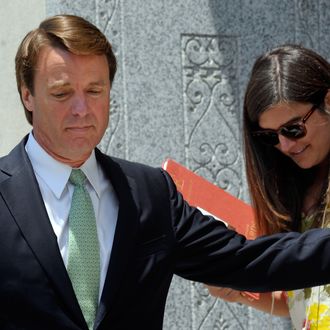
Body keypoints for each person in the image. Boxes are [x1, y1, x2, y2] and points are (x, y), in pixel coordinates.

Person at [3, 15, 330, 330]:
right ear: (27, 95)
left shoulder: (151, 192)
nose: (81, 109)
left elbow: (247, 261)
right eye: (62, 93)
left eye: (94, 91)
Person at [207, 44, 330, 329]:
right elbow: (299, 300)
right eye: (269, 137)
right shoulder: (296, 192)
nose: (285, 145)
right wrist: (238, 290)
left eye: (293, 129)